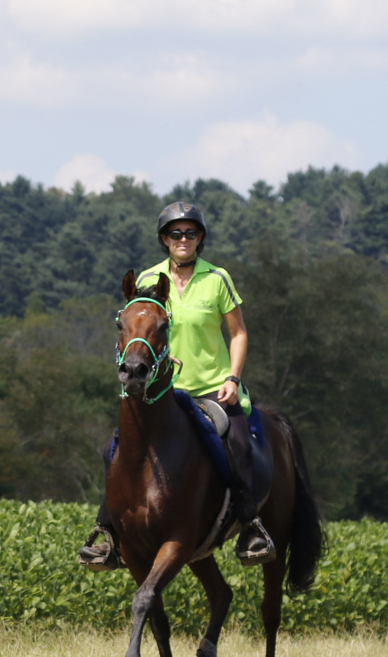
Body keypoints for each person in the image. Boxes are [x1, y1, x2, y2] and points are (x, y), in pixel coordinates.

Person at [78, 202, 274, 569]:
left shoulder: (217, 279)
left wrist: (233, 378)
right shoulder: (149, 280)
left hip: (212, 388)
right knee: (113, 450)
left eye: (191, 233)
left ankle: (251, 528)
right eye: (175, 233)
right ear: (164, 239)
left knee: (237, 446)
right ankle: (107, 534)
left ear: (200, 239)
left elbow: (239, 333)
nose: (183, 239)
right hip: (161, 391)